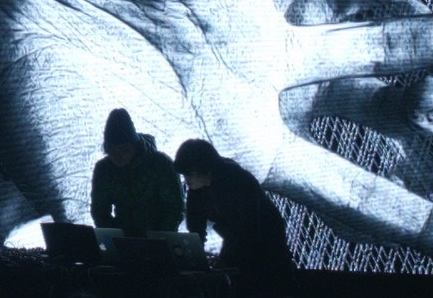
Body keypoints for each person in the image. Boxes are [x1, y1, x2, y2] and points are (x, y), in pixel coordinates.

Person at [173, 139, 294, 295]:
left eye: (189, 174)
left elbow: (244, 230)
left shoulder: (239, 182)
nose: (186, 180)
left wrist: (224, 260)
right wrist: (196, 258)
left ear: (206, 169)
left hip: (267, 249)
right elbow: (196, 227)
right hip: (242, 246)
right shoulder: (197, 189)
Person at [89, 109, 184, 236]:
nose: (117, 155)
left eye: (124, 149)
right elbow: (99, 211)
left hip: (159, 236)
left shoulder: (160, 164)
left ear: (135, 146)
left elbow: (174, 207)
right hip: (123, 238)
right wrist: (114, 238)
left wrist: (161, 238)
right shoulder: (104, 169)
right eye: (112, 150)